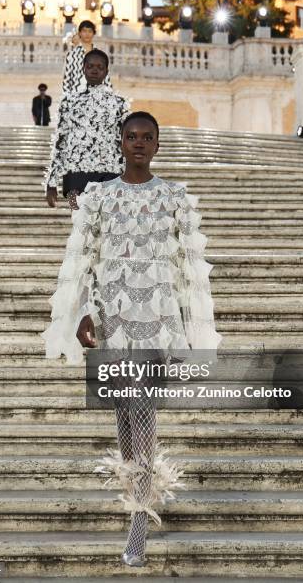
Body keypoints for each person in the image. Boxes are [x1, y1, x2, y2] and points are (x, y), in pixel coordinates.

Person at [41, 111, 222, 566]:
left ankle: (139, 522)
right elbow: (83, 257)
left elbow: (190, 272)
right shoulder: (99, 197)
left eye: (147, 137)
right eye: (131, 136)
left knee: (141, 415)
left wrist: (193, 332)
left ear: (158, 145)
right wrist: (82, 310)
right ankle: (137, 499)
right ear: (120, 143)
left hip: (156, 323)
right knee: (124, 418)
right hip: (114, 321)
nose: (139, 143)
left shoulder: (175, 197)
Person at [43, 49, 129, 210]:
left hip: (110, 171)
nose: (95, 70)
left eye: (99, 67)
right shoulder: (69, 102)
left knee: (105, 226)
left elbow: (126, 143)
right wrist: (51, 181)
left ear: (106, 71)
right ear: (83, 69)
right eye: (90, 66)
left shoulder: (119, 103)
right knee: (79, 224)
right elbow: (60, 142)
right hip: (75, 174)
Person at [62, 20, 112, 94]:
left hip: (97, 94)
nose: (87, 34)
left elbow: (106, 76)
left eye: (90, 31)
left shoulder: (100, 54)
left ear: (93, 33)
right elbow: (67, 78)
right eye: (84, 31)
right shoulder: (72, 54)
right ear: (80, 33)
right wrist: (66, 97)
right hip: (76, 94)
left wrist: (109, 92)